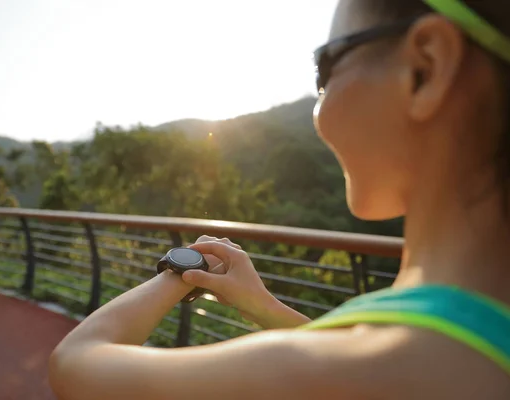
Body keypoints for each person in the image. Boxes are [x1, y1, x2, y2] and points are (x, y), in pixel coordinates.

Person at [48, 0, 510, 398]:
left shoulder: (356, 368)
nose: (320, 103)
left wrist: (181, 270)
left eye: (325, 68)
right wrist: (263, 306)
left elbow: (75, 363)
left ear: (423, 70)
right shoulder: (452, 345)